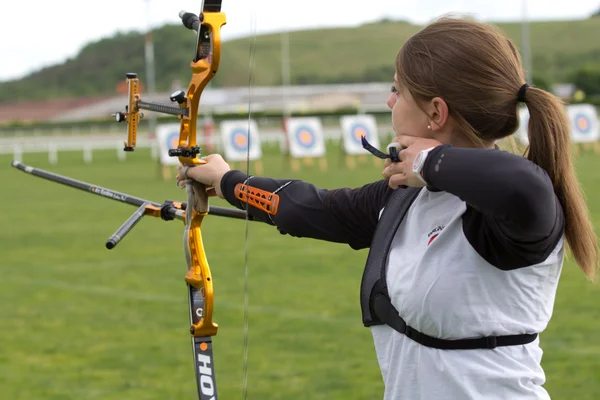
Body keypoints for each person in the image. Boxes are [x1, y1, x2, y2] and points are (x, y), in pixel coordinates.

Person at [178, 16, 599, 400]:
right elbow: (314, 208)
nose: (388, 101)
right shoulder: (405, 196)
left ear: (436, 112)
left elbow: (521, 186)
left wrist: (425, 162)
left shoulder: (518, 213)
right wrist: (227, 181)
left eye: (398, 89)